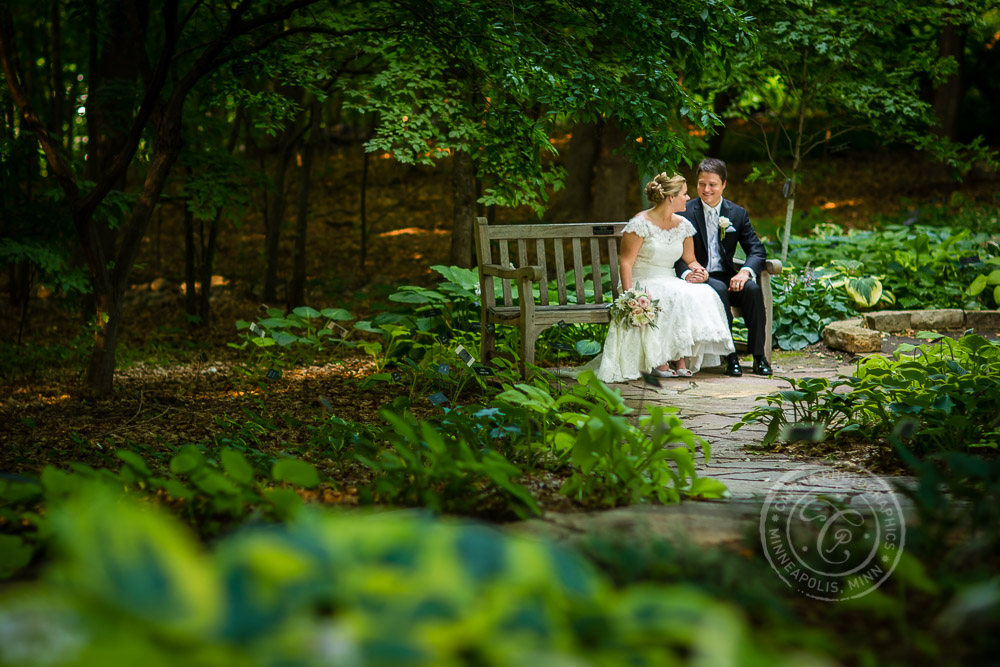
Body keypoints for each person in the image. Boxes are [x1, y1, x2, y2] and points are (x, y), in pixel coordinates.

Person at [593, 172, 735, 383]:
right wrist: (630, 295)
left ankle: (680, 357)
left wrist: (700, 271)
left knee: (702, 292)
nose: (689, 198)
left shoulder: (683, 225)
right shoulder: (640, 223)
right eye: (685, 194)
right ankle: (661, 359)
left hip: (668, 277)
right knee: (670, 294)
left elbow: (690, 259)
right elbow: (626, 263)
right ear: (671, 197)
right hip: (642, 278)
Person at [676, 158, 772, 377]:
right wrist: (689, 272)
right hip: (700, 278)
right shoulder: (684, 212)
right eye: (701, 184)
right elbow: (676, 253)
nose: (706, 189)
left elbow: (757, 250)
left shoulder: (737, 214)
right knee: (718, 289)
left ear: (724, 185)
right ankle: (730, 357)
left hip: (729, 276)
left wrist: (744, 272)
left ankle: (759, 357)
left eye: (712, 184)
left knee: (753, 291)